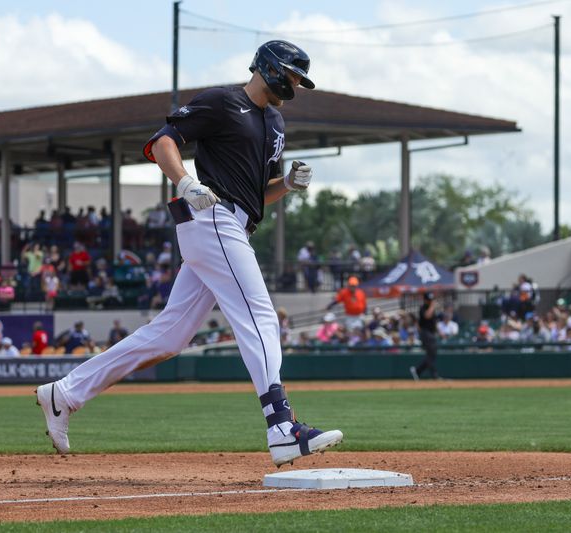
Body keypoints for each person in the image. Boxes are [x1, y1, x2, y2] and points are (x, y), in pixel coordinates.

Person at [36, 40, 342, 466]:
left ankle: (65, 392)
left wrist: (287, 185)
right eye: (291, 75)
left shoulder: (275, 121)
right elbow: (162, 143)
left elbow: (259, 194)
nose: (294, 84)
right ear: (270, 68)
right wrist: (184, 181)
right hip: (210, 216)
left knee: (170, 335)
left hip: (235, 224)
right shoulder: (221, 101)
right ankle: (282, 427)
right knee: (260, 315)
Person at [410, 292, 442, 380]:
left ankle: (418, 370)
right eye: (429, 300)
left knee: (431, 355)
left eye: (431, 300)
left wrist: (439, 332)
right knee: (431, 354)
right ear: (425, 300)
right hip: (425, 333)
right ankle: (433, 375)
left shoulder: (431, 308)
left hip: (431, 333)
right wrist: (432, 306)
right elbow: (427, 316)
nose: (430, 301)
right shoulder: (423, 308)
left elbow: (434, 322)